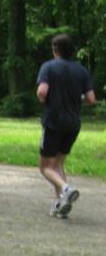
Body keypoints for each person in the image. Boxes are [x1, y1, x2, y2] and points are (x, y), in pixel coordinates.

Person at [36, 33, 96, 218]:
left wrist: (43, 99)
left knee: (45, 167)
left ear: (55, 49)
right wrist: (75, 100)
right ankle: (61, 204)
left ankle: (66, 189)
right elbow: (91, 99)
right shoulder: (81, 71)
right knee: (58, 163)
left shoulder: (48, 67)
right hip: (73, 124)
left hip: (54, 121)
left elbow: (42, 92)